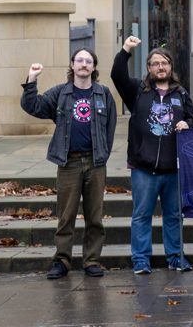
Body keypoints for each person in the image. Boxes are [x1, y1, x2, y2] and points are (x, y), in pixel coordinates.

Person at [19, 48, 117, 279]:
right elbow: (32, 106)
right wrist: (32, 79)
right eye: (79, 60)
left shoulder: (103, 94)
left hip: (95, 162)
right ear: (72, 65)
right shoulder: (61, 93)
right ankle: (62, 261)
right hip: (68, 162)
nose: (84, 64)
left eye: (88, 61)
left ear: (94, 67)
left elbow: (110, 128)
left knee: (95, 216)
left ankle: (91, 261)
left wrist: (102, 154)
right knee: (66, 216)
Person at [112, 36, 193, 274]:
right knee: (141, 215)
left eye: (165, 63)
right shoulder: (137, 92)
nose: (161, 67)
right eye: (156, 63)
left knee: (173, 216)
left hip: (173, 169)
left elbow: (192, 121)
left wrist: (187, 125)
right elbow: (117, 75)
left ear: (171, 67)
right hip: (144, 167)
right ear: (149, 68)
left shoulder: (181, 93)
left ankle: (176, 257)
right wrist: (126, 50)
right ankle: (141, 259)